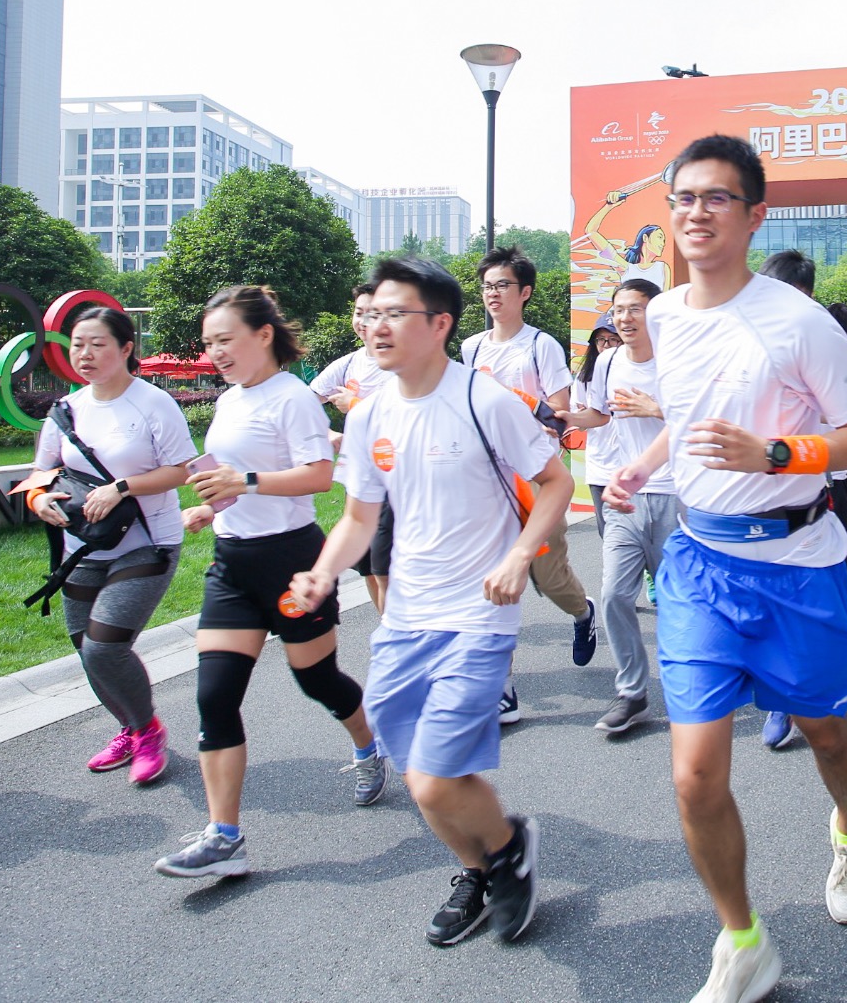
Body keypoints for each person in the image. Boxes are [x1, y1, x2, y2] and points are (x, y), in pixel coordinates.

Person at [604, 135, 847, 1002]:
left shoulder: (799, 321)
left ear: (754, 215)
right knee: (692, 774)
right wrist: (647, 465)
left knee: (825, 732)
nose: (696, 213)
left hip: (798, 564)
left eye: (716, 198)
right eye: (683, 198)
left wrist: (774, 452)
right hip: (698, 562)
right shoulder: (671, 317)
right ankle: (744, 940)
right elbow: (691, 416)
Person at [289, 256, 568, 947]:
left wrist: (516, 555)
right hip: (406, 619)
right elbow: (358, 518)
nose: (375, 326)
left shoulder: (485, 401)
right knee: (420, 776)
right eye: (372, 314)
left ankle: (508, 848)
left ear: (440, 324)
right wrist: (322, 574)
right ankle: (478, 869)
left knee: (439, 778)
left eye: (394, 314)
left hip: (478, 615)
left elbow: (555, 484)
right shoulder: (368, 414)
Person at [153, 285, 382, 880]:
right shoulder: (231, 399)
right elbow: (232, 476)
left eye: (225, 340)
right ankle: (224, 835)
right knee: (214, 696)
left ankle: (366, 744)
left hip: (292, 563)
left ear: (263, 335)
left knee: (319, 681)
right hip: (232, 563)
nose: (216, 353)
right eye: (208, 344)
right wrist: (216, 506)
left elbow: (316, 475)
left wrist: (244, 483)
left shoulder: (293, 398)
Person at [27, 307, 195, 786]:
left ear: (125, 349)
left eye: (98, 344)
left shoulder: (152, 403)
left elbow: (182, 470)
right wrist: (39, 499)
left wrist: (120, 487)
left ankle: (148, 732)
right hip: (82, 547)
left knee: (105, 649)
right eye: (78, 344)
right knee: (86, 648)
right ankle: (128, 727)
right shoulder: (65, 411)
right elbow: (38, 475)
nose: (85, 354)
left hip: (148, 544)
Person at [462, 245, 599, 721]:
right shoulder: (471, 348)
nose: (492, 294)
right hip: (487, 475)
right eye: (487, 286)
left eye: (502, 285)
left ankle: (583, 612)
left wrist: (521, 414)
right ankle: (503, 685)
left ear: (525, 293)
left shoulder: (541, 345)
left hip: (536, 474)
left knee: (547, 574)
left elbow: (557, 411)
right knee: (493, 572)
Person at [754, 247, 847, 752]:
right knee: (774, 606)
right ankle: (782, 698)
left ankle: (821, 693)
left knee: (833, 606)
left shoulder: (826, 338)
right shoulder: (744, 341)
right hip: (759, 496)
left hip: (825, 488)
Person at [566, 279, 674, 735]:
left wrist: (657, 407)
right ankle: (632, 692)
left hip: (678, 494)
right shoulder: (608, 361)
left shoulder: (678, 361)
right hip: (625, 496)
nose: (626, 317)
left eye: (636, 308)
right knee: (613, 596)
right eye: (620, 309)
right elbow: (600, 415)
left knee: (682, 601)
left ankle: (701, 682)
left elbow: (707, 419)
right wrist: (559, 418)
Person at [310, 280, 395, 613]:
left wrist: (356, 403)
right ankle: (392, 632)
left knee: (386, 569)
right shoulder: (348, 364)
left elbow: (405, 419)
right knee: (369, 570)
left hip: (397, 480)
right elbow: (302, 406)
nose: (363, 321)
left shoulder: (401, 363)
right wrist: (328, 433)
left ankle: (404, 645)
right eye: (359, 313)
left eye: (372, 313)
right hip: (360, 480)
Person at [572, 313, 628, 533]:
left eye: (613, 339)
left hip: (631, 466)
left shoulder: (634, 373)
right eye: (601, 339)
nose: (606, 345)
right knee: (609, 534)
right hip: (600, 466)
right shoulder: (584, 379)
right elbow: (581, 421)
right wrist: (578, 418)